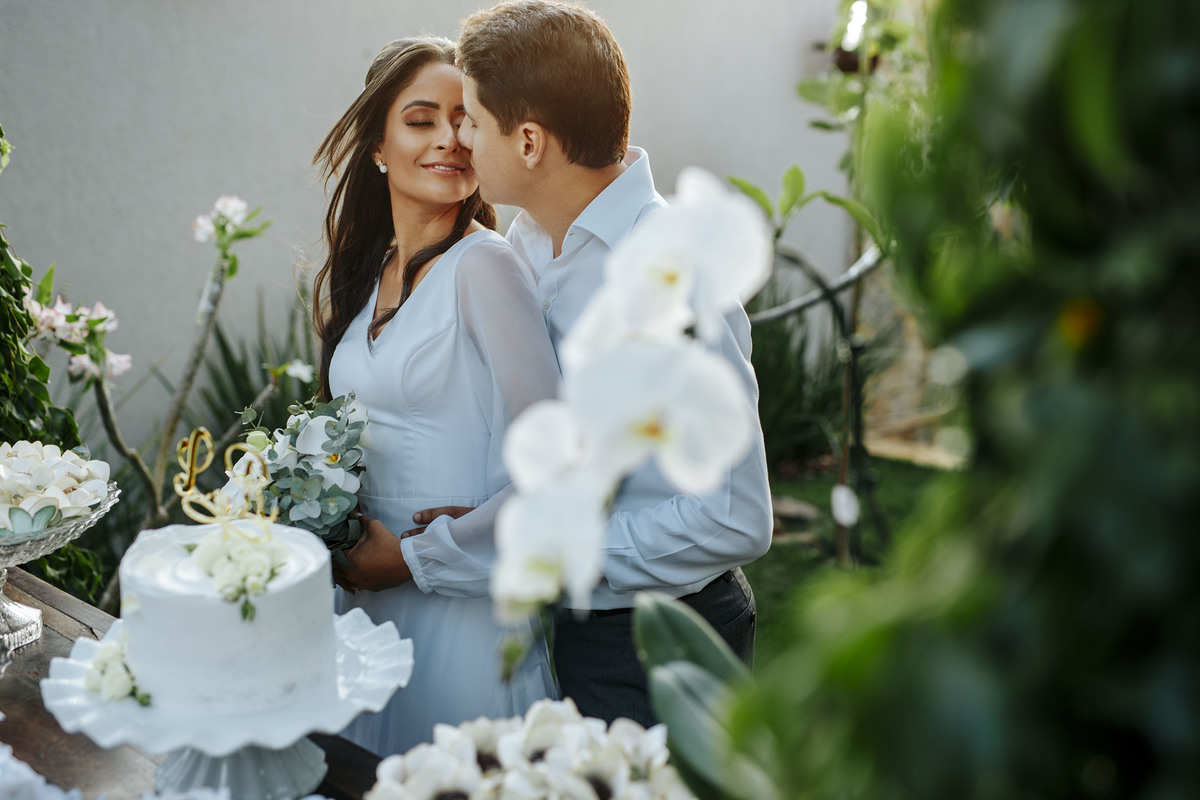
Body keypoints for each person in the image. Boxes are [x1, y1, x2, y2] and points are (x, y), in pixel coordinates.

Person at [451, 0, 774, 726]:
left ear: (529, 141)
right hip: (567, 631)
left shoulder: (673, 273)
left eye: (472, 117)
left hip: (665, 642)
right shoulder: (528, 245)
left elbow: (738, 518)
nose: (459, 134)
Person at [311, 36, 559, 756]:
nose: (450, 139)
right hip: (361, 605)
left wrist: (419, 557)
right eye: (422, 120)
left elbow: (555, 467)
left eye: (465, 120)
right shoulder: (367, 271)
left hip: (458, 610)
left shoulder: (485, 266)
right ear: (379, 145)